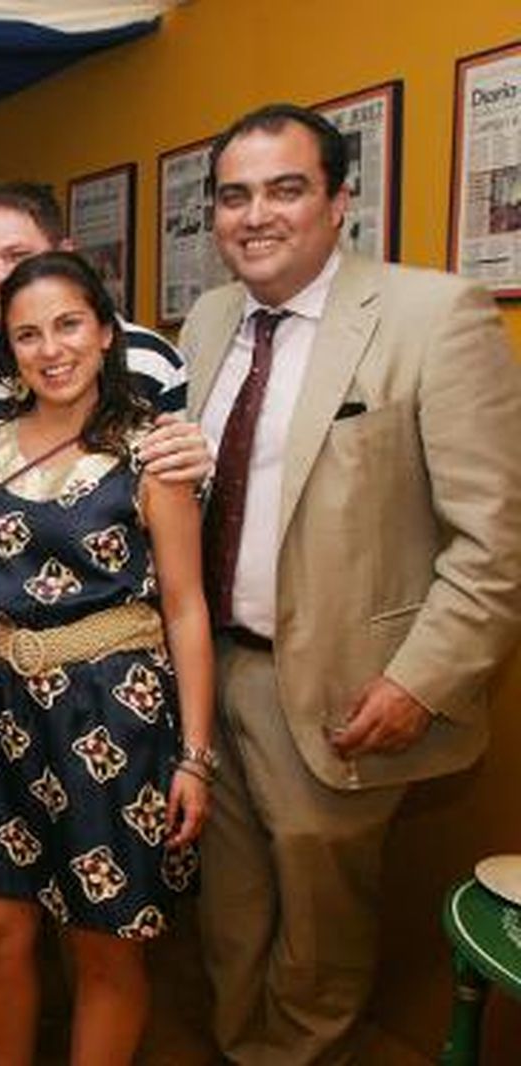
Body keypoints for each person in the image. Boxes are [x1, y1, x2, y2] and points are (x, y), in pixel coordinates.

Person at [184, 103, 521, 1064]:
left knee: (319, 938)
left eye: (286, 190)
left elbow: (496, 537)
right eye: (235, 196)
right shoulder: (210, 319)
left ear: (341, 202)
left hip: (346, 690)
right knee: (232, 919)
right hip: (218, 680)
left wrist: (421, 680)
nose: (257, 215)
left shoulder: (434, 315)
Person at [0, 182, 211, 1022]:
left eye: (69, 325)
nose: (51, 348)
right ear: (8, 349)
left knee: (101, 939)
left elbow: (185, 609)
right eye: (28, 334)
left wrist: (195, 757)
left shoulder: (151, 449)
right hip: (5, 713)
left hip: (119, 717)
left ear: (106, 332)